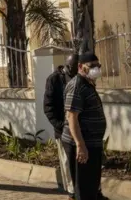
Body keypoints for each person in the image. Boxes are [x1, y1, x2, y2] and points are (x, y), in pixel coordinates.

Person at [62, 52, 107, 200]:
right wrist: (80, 145)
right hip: (82, 146)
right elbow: (72, 118)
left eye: (98, 66)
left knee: (91, 187)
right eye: (92, 66)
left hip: (91, 145)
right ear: (81, 67)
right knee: (84, 189)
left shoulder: (88, 84)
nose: (96, 69)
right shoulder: (77, 86)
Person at [44, 54, 77, 200]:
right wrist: (59, 125)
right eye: (76, 67)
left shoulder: (80, 79)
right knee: (67, 161)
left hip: (79, 129)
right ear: (68, 66)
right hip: (63, 130)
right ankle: (72, 192)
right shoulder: (54, 79)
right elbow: (48, 107)